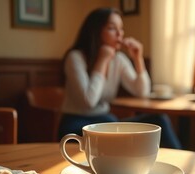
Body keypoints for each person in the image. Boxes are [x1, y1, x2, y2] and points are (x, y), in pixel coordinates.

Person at [58, 7, 181, 149]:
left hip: (105, 122)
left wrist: (138, 58)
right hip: (76, 123)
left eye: (121, 29)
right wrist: (102, 61)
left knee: (159, 119)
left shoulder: (118, 59)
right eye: (112, 28)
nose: (119, 34)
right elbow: (88, 101)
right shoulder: (75, 57)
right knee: (113, 125)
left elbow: (142, 92)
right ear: (96, 31)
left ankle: (181, 168)